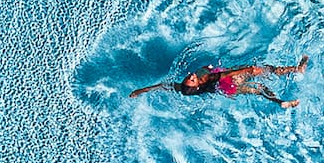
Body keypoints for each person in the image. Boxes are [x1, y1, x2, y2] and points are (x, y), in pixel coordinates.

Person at [130, 57, 307, 106]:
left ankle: (281, 102)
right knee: (267, 69)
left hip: (227, 90)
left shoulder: (184, 88)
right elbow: (227, 74)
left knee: (259, 89)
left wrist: (141, 91)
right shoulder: (207, 78)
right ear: (198, 84)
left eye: (188, 79)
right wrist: (249, 70)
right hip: (230, 79)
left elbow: (164, 86)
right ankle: (296, 69)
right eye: (193, 79)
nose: (191, 77)